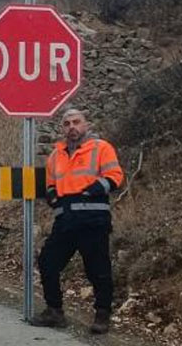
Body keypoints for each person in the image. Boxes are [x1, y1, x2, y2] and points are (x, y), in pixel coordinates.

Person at [30, 108, 125, 334]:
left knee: (98, 269)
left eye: (76, 122)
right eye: (67, 123)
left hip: (93, 220)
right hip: (66, 221)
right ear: (62, 129)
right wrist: (53, 197)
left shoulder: (101, 148)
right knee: (48, 262)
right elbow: (51, 184)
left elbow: (115, 177)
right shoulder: (56, 155)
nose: (72, 127)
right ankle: (54, 311)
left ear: (86, 125)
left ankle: (102, 314)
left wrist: (91, 191)